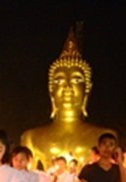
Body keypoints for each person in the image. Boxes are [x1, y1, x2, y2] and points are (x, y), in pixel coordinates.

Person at [20, 27, 116, 167]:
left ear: (87, 90)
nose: (68, 88)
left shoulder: (105, 137)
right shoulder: (31, 137)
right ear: (51, 91)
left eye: (77, 80)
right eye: (59, 81)